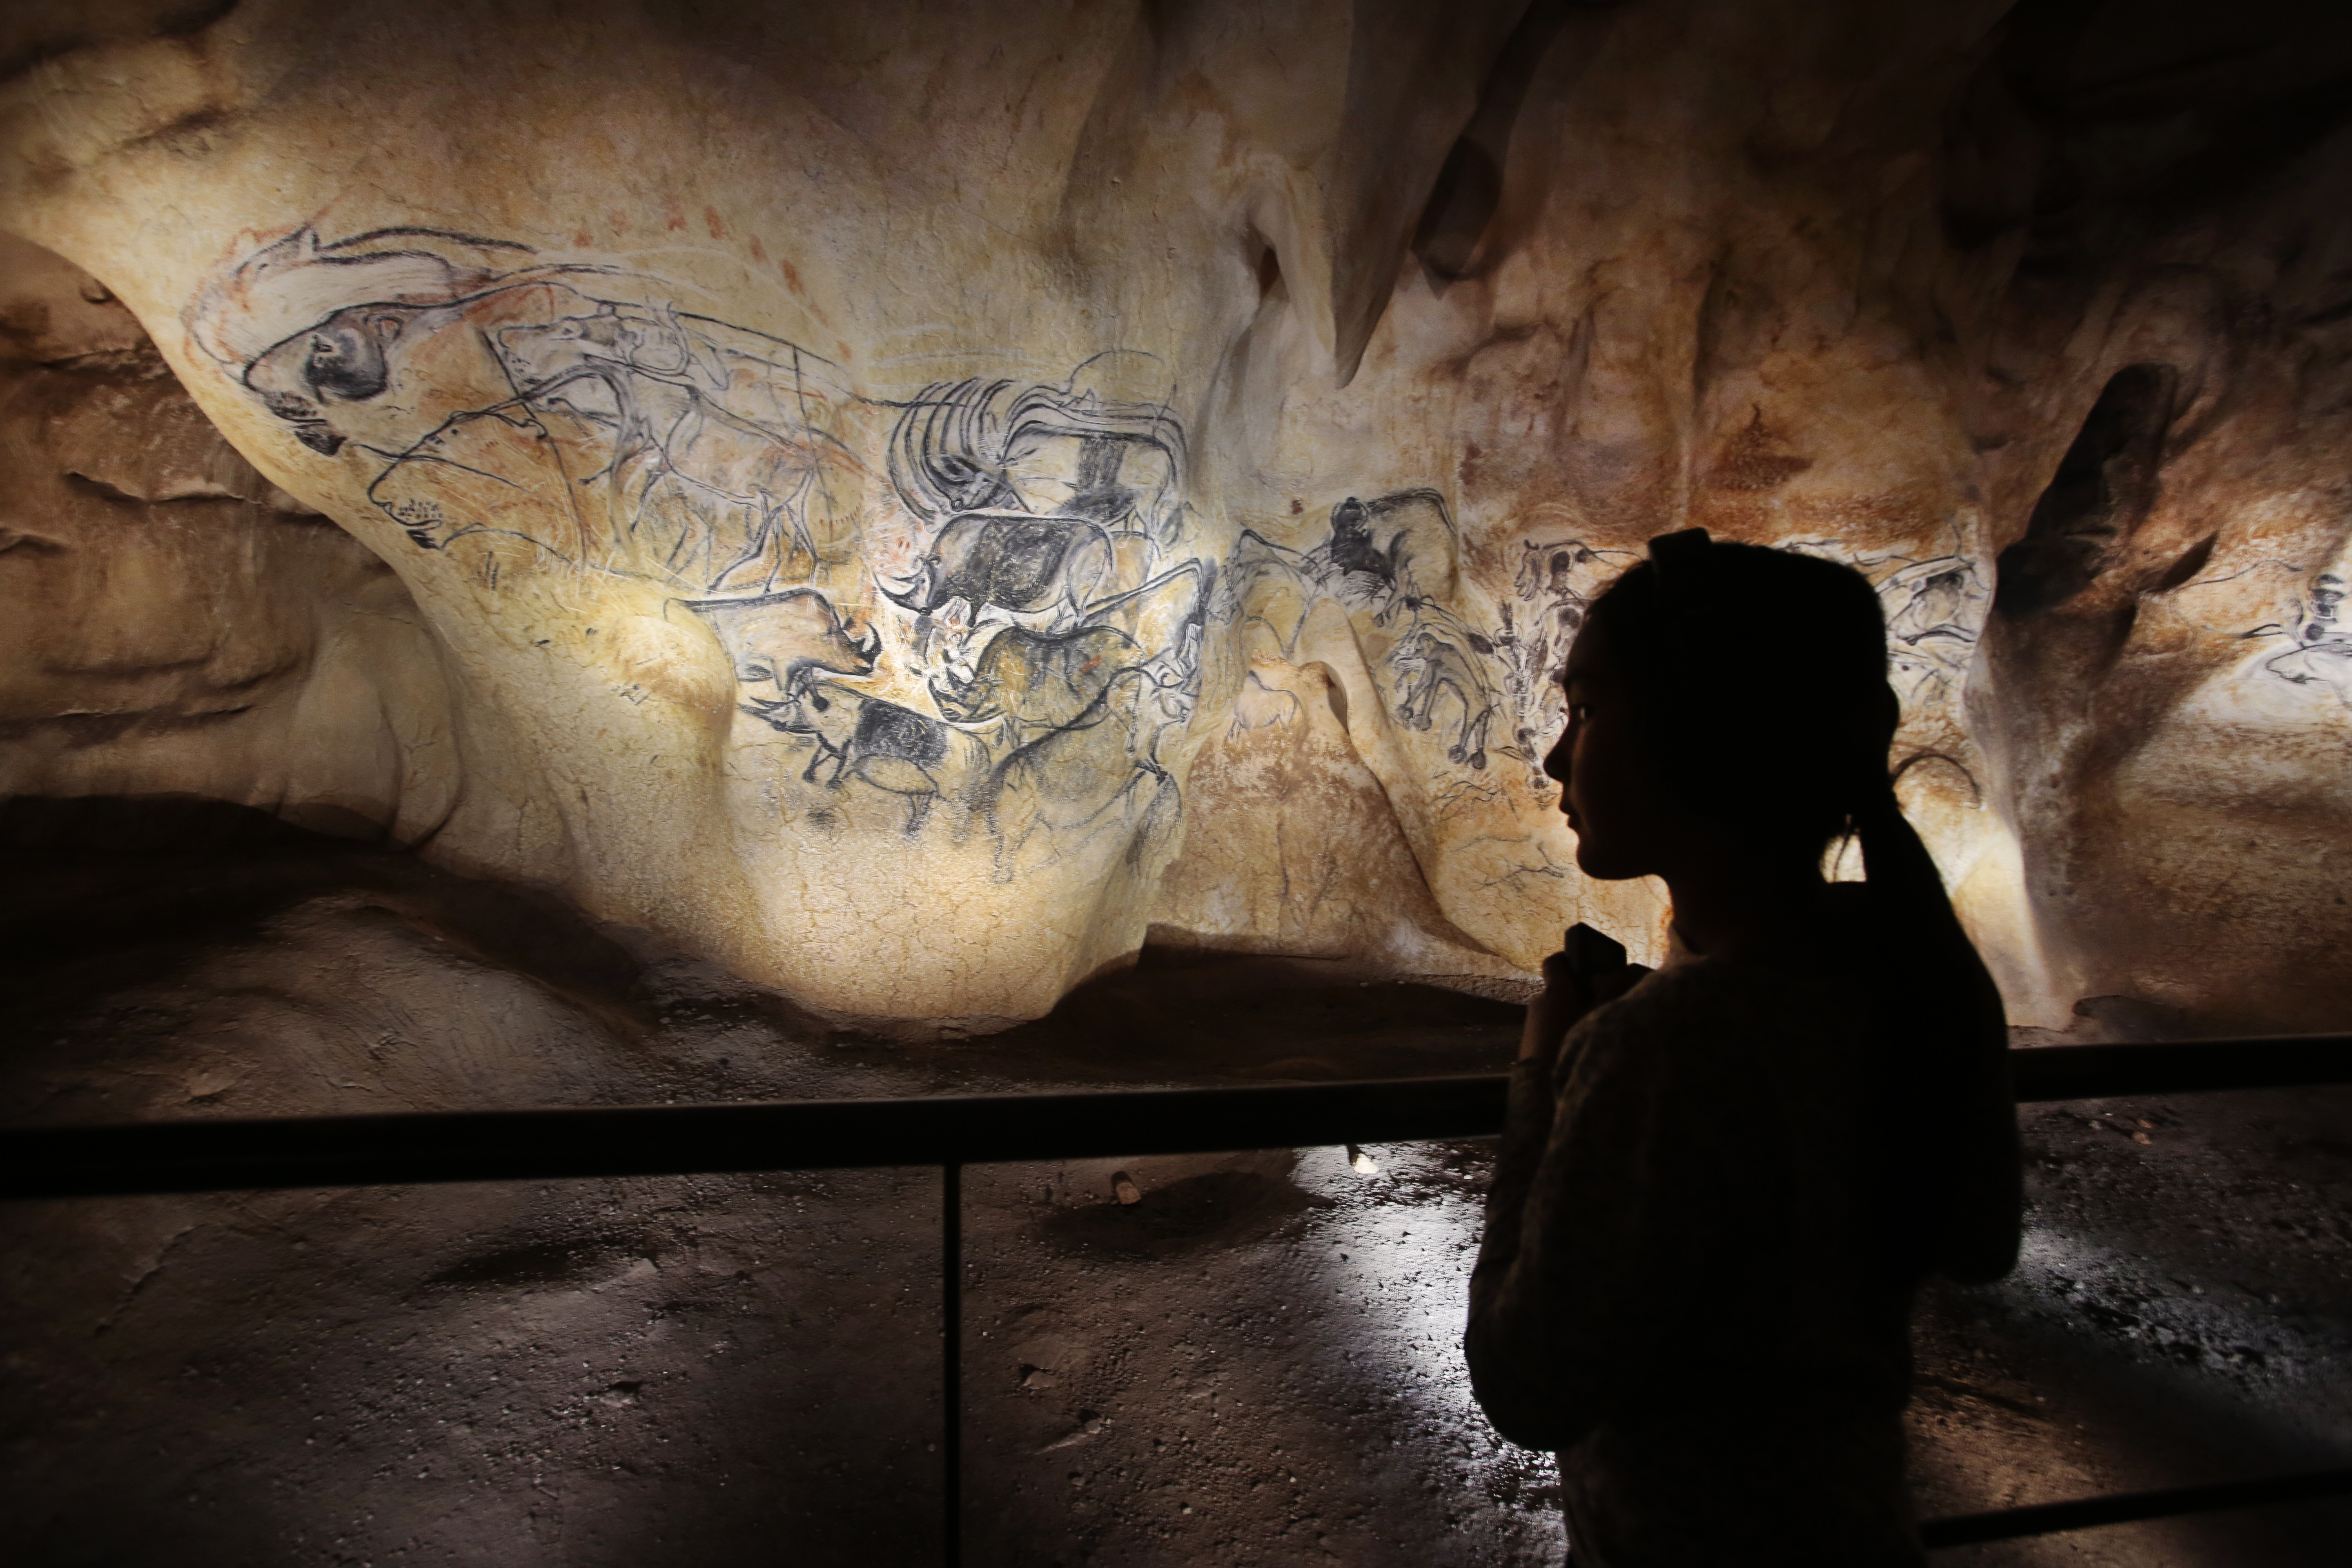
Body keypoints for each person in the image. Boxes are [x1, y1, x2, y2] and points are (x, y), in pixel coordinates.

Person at [1465, 528, 2021, 1566]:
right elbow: (1980, 1241)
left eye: (1587, 710)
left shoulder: (1667, 1045)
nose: (1557, 757)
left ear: (1701, 731)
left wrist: (1542, 1078)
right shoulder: (1911, 970)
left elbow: (1527, 1380)